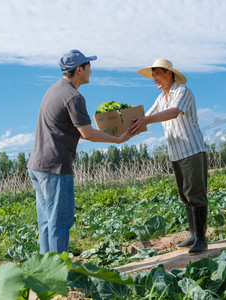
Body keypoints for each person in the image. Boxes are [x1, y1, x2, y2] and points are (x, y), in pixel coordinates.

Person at [27, 49, 132, 254]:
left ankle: (47, 272)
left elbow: (81, 132)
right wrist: (118, 140)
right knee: (60, 222)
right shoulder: (73, 97)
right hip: (55, 167)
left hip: (37, 165)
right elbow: (87, 133)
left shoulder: (53, 90)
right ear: (78, 69)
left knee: (47, 222)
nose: (91, 71)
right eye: (88, 66)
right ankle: (60, 274)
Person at [130, 58, 208, 255]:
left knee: (195, 193)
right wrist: (124, 131)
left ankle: (201, 238)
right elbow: (146, 119)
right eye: (153, 75)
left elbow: (173, 113)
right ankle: (192, 234)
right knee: (184, 193)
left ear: (169, 73)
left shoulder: (182, 91)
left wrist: (146, 119)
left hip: (191, 149)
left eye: (157, 73)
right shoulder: (160, 99)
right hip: (176, 152)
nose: (154, 78)